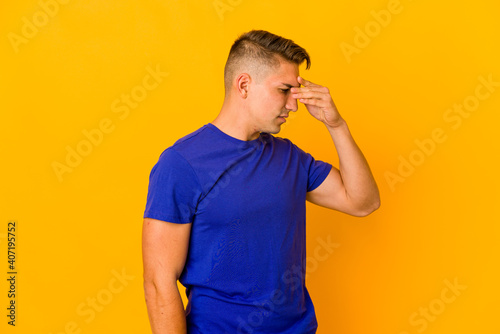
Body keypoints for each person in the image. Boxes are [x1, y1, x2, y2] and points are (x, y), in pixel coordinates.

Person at [142, 29, 380, 334]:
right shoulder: (182, 163)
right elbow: (159, 282)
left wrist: (336, 125)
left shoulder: (291, 158)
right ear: (244, 85)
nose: (293, 106)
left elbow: (364, 202)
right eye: (284, 90)